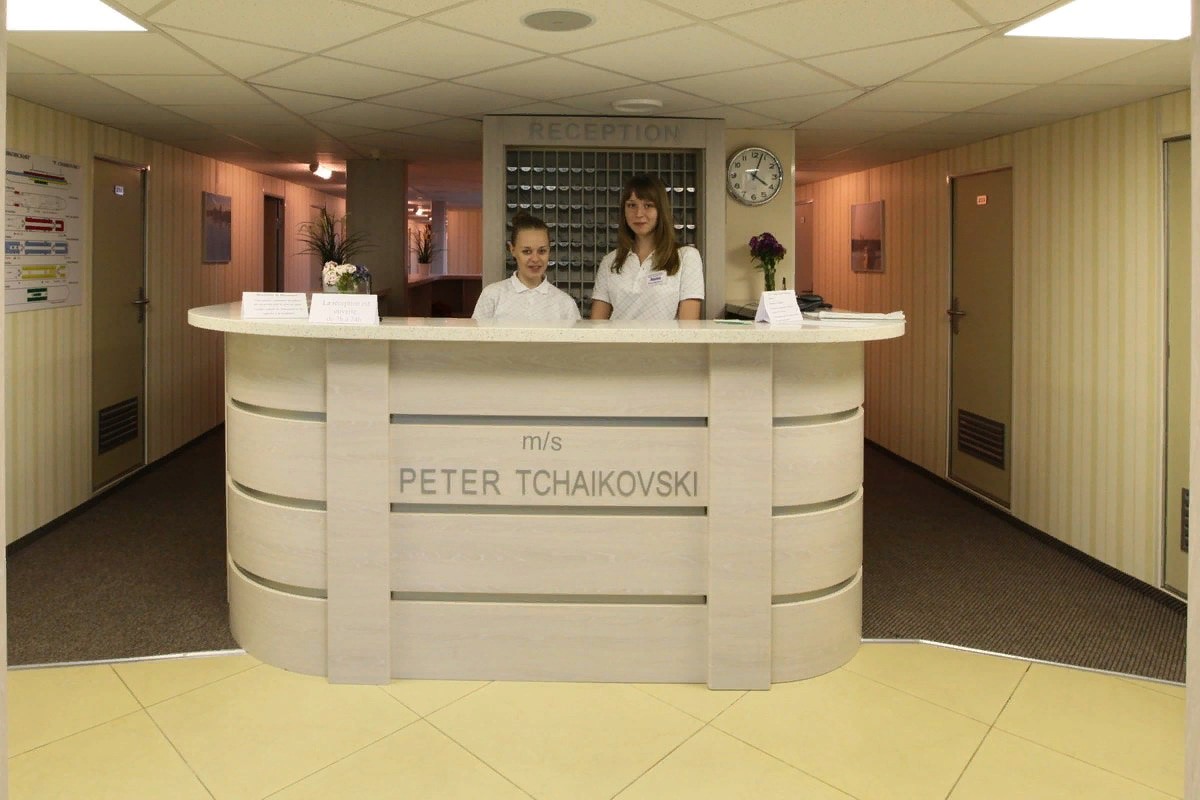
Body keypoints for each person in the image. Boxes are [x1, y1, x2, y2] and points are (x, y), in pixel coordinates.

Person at [590, 173, 703, 321]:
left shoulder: (686, 257)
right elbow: (597, 324)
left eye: (648, 205)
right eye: (632, 205)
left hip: (665, 337)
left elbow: (689, 326)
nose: (639, 214)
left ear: (661, 210)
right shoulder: (610, 262)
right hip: (618, 337)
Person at [473, 211, 581, 321]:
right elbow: (473, 332)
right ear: (512, 250)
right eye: (527, 251)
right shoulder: (492, 295)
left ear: (549, 250)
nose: (535, 259)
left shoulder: (565, 303)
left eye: (542, 251)